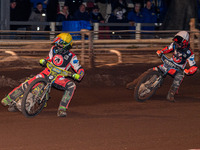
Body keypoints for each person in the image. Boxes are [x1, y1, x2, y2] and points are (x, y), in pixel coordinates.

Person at [1, 33, 85, 117]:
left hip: (58, 78)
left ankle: (62, 109)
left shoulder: (72, 57)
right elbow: (49, 58)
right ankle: (9, 98)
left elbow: (78, 68)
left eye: (59, 43)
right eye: (57, 43)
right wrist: (44, 60)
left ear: (65, 45)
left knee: (71, 86)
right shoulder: (53, 49)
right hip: (46, 72)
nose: (57, 45)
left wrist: (79, 74)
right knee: (28, 83)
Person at [156, 31, 198, 102]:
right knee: (155, 69)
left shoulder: (189, 53)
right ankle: (136, 83)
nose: (177, 44)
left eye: (179, 43)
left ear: (185, 42)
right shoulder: (174, 45)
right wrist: (161, 51)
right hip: (169, 63)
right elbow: (168, 48)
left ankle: (171, 94)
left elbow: (194, 66)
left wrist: (189, 71)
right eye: (176, 42)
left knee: (180, 76)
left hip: (178, 68)